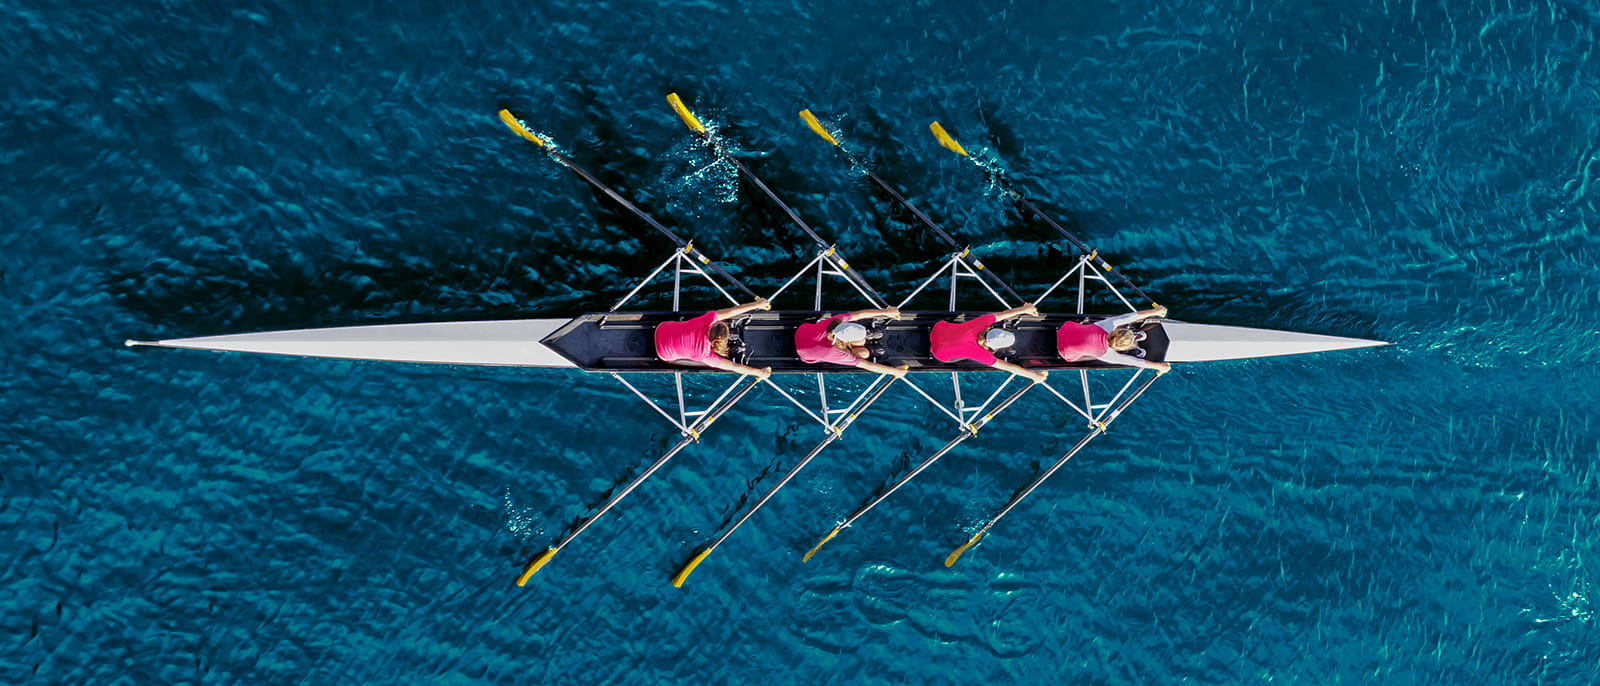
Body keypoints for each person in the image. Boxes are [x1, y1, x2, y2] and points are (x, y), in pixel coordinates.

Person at [655, 299, 773, 378]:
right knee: (705, 363)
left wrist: (757, 304)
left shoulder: (708, 319)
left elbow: (732, 311)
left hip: (661, 327)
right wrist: (759, 372)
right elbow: (733, 366)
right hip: (663, 355)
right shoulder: (706, 355)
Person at [929, 304, 1048, 383]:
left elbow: (1004, 314)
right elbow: (1009, 367)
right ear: (993, 347)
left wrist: (1025, 309)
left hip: (938, 328)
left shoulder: (983, 322)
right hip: (938, 353)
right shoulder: (981, 354)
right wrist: (1034, 376)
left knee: (959, 334)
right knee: (967, 357)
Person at [794, 308, 908, 378]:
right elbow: (867, 365)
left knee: (861, 342)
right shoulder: (833, 352)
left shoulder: (834, 324)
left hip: (802, 331)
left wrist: (886, 312)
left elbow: (858, 314)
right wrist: (895, 371)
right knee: (864, 354)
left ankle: (866, 338)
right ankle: (867, 343)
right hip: (805, 356)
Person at [1056, 305, 1171, 374]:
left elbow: (1130, 316)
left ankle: (1133, 339)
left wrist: (1155, 311)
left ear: (1117, 331)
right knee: (1095, 356)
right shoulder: (1106, 355)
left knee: (1091, 338)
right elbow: (1135, 362)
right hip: (1064, 353)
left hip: (1064, 329)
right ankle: (1132, 344)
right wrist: (1159, 366)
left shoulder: (1107, 325)